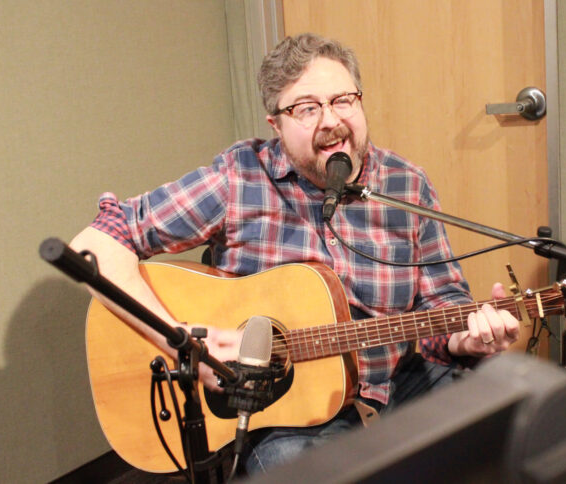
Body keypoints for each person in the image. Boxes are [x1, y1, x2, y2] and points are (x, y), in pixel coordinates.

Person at [70, 33, 520, 474]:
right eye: (306, 108)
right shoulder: (239, 179)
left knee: (512, 422)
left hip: (399, 384)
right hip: (286, 415)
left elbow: (443, 305)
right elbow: (95, 244)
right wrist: (180, 339)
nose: (330, 120)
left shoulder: (406, 186)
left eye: (343, 100)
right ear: (276, 125)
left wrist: (469, 339)